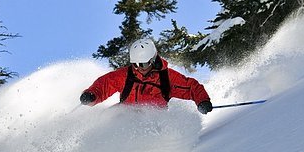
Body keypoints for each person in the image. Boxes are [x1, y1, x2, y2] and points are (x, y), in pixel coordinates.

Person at [80, 38, 213, 113]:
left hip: (153, 119)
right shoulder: (127, 75)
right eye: (135, 64)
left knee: (149, 122)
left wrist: (202, 101)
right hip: (126, 115)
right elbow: (105, 84)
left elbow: (191, 87)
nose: (139, 69)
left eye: (143, 64)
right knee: (107, 116)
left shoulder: (166, 78)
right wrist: (92, 95)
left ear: (153, 60)